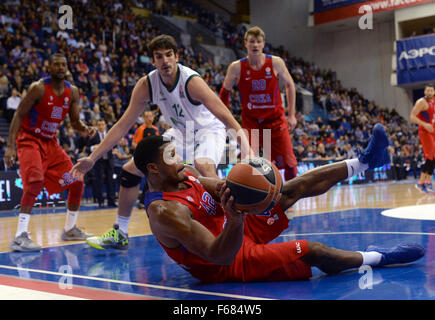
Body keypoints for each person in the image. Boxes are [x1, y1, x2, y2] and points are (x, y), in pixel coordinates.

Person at [135, 124, 424, 283]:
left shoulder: (184, 173)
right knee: (312, 250)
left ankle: (365, 161)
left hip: (234, 230)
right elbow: (218, 255)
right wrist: (236, 219)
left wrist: (248, 180)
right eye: (170, 156)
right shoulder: (165, 211)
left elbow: (222, 187)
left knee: (286, 190)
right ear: (154, 169)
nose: (178, 157)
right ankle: (379, 257)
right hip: (226, 262)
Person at [71, 34, 252, 250]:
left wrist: (247, 148)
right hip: (180, 134)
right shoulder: (147, 84)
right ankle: (120, 232)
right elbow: (122, 125)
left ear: (177, 56)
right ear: (153, 61)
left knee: (203, 165)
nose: (165, 61)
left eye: (169, 55)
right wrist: (93, 158)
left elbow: (225, 115)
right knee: (131, 169)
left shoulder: (191, 82)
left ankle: (229, 230)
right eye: (159, 56)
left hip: (207, 130)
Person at [4, 53, 96, 252]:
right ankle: (20, 236)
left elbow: (74, 121)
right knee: (35, 182)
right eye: (56, 64)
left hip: (50, 142)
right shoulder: (38, 88)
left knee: (76, 178)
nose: (61, 67)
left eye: (63, 64)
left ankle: (70, 229)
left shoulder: (73, 92)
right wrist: (10, 146)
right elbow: (19, 115)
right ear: (49, 67)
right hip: (29, 139)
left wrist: (84, 128)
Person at [220, 26, 298, 181]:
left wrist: (291, 115)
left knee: (291, 166)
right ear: (245, 44)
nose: (255, 45)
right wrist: (225, 120)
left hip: (275, 120)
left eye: (258, 42)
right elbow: (224, 92)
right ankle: (251, 201)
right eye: (252, 41)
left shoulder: (276, 62)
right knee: (248, 166)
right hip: (251, 122)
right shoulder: (236, 67)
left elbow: (290, 85)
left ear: (263, 44)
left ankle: (287, 200)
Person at [410, 84, 435, 193]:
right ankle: (421, 183)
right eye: (427, 90)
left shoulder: (434, 101)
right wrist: (425, 124)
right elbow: (412, 117)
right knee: (430, 157)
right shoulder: (421, 102)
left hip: (433, 131)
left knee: (433, 157)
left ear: (434, 92)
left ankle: (428, 182)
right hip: (425, 131)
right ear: (425, 92)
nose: (429, 92)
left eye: (431, 90)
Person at [88, 119, 117, 208]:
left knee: (110, 181)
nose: (101, 126)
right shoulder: (94, 135)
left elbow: (115, 145)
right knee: (99, 181)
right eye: (99, 125)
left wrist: (115, 149)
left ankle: (111, 201)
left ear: (105, 125)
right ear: (97, 126)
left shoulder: (110, 134)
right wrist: (94, 147)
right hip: (99, 161)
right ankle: (101, 201)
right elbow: (89, 147)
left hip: (109, 160)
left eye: (102, 124)